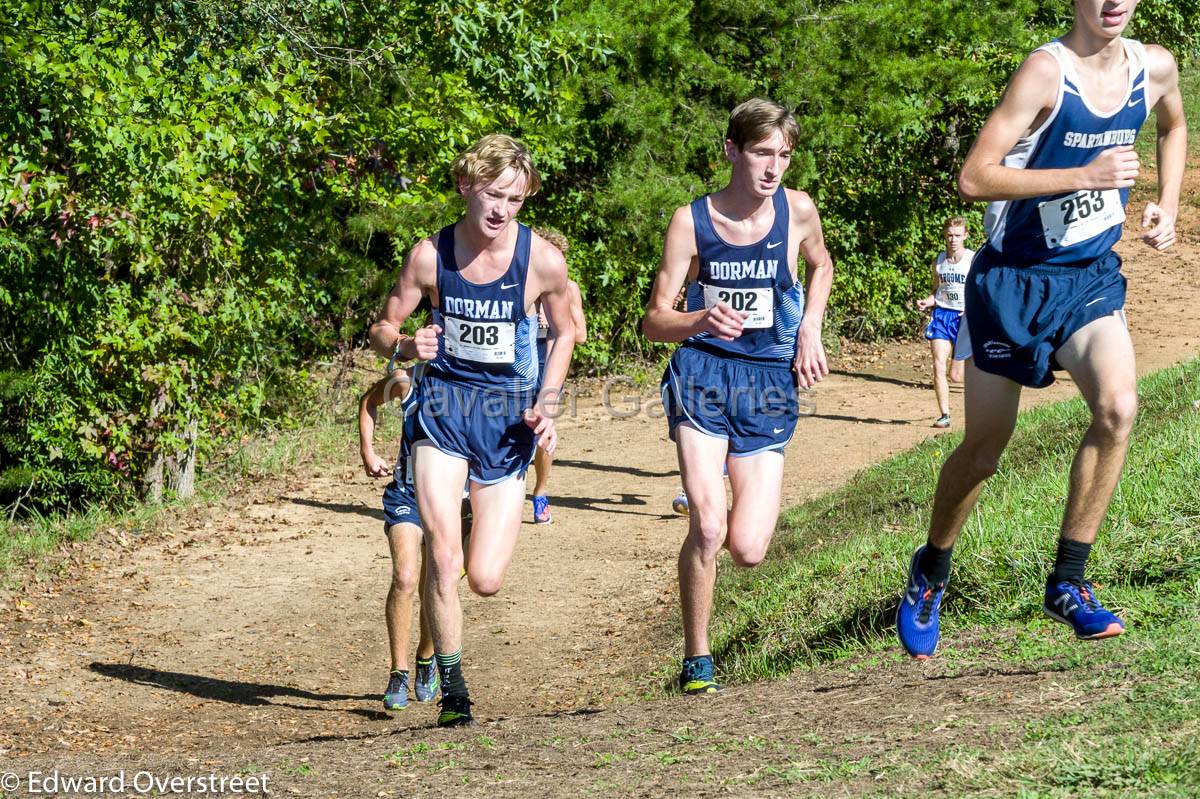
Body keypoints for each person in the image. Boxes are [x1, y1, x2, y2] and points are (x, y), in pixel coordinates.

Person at [897, 0, 1185, 659]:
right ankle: (931, 569)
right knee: (985, 450)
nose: (1114, 2)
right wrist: (1083, 176)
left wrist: (1164, 205)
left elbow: (1173, 127)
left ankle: (1068, 581)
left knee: (1118, 407)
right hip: (1011, 283)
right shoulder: (1044, 73)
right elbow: (974, 177)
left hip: (1088, 277)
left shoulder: (1155, 67)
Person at [369, 134, 575, 726]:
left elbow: (564, 332)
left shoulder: (541, 260)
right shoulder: (429, 256)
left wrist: (549, 404)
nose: (501, 209)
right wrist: (408, 344)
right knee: (442, 551)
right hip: (442, 412)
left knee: (483, 577)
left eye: (514, 199)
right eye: (492, 194)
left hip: (506, 421)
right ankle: (454, 687)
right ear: (466, 185)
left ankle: (447, 654)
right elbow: (384, 326)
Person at [643, 98, 834, 694]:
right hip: (702, 373)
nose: (773, 167)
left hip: (768, 381)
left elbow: (821, 264)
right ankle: (697, 658)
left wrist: (809, 326)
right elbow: (654, 320)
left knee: (748, 548)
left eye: (783, 155)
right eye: (760, 152)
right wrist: (698, 320)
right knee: (708, 526)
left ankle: (721, 490)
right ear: (732, 150)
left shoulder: (798, 211)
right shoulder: (689, 221)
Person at [358, 365, 438, 710]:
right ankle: (398, 672)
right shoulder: (408, 380)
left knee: (438, 584)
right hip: (406, 495)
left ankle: (425, 657)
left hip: (452, 500)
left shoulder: (478, 380)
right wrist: (368, 451)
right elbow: (368, 402)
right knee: (405, 577)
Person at [529, 227, 588, 524]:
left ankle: (540, 493)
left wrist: (555, 320)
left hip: (550, 362)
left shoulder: (569, 288)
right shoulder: (519, 284)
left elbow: (581, 336)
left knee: (543, 431)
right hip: (518, 364)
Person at [915, 217, 975, 428]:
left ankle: (978, 410)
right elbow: (936, 291)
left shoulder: (972, 260)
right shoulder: (938, 262)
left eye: (957, 235)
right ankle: (945, 415)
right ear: (944, 235)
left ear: (965, 236)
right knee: (938, 364)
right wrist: (927, 301)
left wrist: (971, 308)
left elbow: (982, 290)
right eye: (949, 235)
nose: (953, 240)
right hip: (942, 316)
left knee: (956, 375)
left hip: (965, 319)